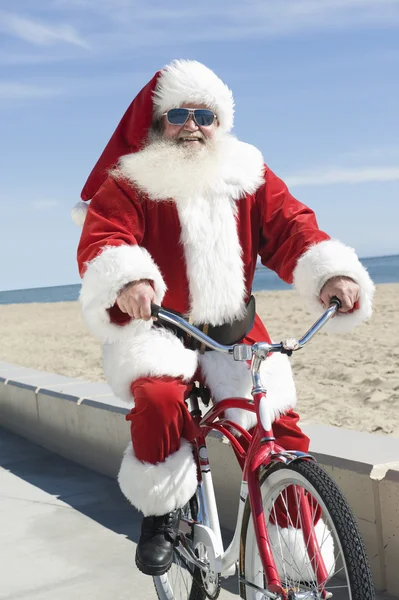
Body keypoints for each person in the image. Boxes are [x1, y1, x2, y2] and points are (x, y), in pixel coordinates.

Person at [74, 59, 374, 577]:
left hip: (234, 326)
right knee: (161, 400)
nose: (192, 125)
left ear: (221, 121)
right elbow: (106, 237)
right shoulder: (131, 180)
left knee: (276, 424)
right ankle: (163, 513)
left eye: (204, 114)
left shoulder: (248, 171)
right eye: (178, 114)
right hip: (161, 328)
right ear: (157, 122)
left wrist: (330, 274)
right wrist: (128, 281)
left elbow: (291, 226)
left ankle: (296, 547)